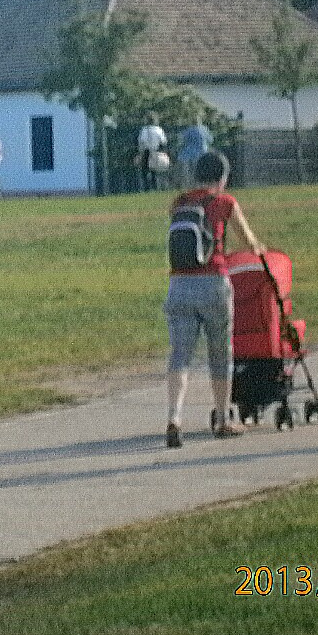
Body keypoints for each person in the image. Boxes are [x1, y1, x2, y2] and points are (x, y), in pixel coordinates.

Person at [164, 150, 264, 448]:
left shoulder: (180, 203)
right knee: (220, 353)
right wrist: (259, 248)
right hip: (213, 284)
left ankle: (174, 417)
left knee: (180, 354)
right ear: (223, 178)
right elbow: (248, 240)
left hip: (179, 284)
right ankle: (222, 419)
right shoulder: (225, 202)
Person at [176, 113, 213, 188]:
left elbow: (181, 140)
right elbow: (211, 140)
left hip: (190, 154)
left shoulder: (189, 130)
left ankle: (192, 185)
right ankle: (201, 185)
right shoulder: (204, 129)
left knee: (191, 171)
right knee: (200, 171)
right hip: (203, 153)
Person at [136, 113, 169, 191]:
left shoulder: (144, 129)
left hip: (146, 152)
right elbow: (164, 142)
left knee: (145, 171)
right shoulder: (159, 129)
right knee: (155, 171)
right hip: (157, 151)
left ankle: (147, 188)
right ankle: (156, 187)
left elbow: (141, 141)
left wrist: (140, 151)